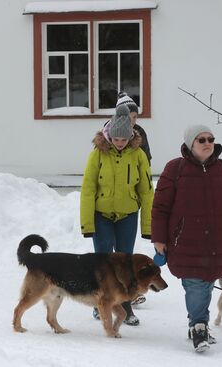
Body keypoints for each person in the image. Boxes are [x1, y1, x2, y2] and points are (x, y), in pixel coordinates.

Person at [151, 124, 222, 352]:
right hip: (186, 241)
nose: (208, 143)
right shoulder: (175, 168)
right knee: (195, 284)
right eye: (202, 140)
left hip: (218, 240)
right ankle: (199, 326)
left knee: (207, 283)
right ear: (190, 144)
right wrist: (159, 238)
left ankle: (197, 322)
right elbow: (160, 208)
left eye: (211, 139)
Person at [80, 103, 154, 326]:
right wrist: (87, 224)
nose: (120, 144)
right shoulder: (98, 154)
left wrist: (148, 227)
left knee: (125, 262)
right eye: (116, 139)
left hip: (127, 215)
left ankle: (125, 306)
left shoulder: (138, 155)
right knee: (102, 262)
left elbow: (146, 191)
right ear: (109, 136)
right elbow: (88, 188)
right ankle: (100, 302)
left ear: (130, 136)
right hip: (102, 215)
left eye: (124, 140)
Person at [103, 92, 152, 165]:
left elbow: (146, 159)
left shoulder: (140, 132)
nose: (132, 120)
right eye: (128, 116)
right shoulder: (107, 131)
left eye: (134, 117)